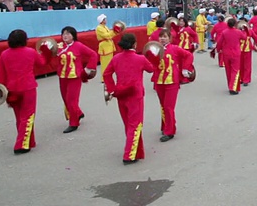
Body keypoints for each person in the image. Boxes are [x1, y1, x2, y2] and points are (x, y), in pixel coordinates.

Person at [103, 33, 155, 164]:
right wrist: (152, 56)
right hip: (135, 95)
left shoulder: (116, 58)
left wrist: (112, 89)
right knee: (135, 125)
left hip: (121, 94)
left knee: (128, 124)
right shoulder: (140, 59)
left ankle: (137, 151)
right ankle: (129, 154)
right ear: (134, 44)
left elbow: (106, 74)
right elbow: (151, 69)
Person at [0, 30, 50, 154]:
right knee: (28, 116)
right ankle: (21, 144)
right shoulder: (30, 52)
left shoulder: (4, 54)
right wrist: (46, 52)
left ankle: (30, 141)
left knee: (19, 117)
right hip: (27, 88)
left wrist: (1, 92)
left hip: (12, 89)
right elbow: (42, 62)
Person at [151, 29, 194, 141]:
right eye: (161, 37)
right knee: (162, 105)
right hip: (159, 81)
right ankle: (166, 125)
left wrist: (185, 68)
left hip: (172, 82)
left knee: (168, 107)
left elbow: (189, 55)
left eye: (165, 36)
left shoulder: (174, 48)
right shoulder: (155, 49)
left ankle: (170, 131)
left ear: (169, 38)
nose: (162, 39)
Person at [57, 26, 99, 133]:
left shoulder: (78, 45)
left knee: (72, 101)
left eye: (68, 34)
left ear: (73, 36)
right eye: (64, 34)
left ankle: (74, 123)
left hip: (75, 77)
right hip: (62, 77)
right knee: (66, 100)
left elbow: (93, 55)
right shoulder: (59, 46)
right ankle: (79, 113)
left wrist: (88, 69)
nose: (65, 36)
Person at [215, 17, 246, 95]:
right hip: (236, 53)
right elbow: (244, 38)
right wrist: (244, 30)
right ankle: (233, 87)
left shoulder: (224, 32)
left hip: (226, 53)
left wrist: (218, 50)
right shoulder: (238, 32)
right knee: (235, 71)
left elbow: (219, 42)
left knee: (228, 70)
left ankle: (230, 85)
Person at [95, 14, 118, 82]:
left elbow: (110, 35)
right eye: (105, 19)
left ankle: (108, 76)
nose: (106, 20)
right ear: (102, 21)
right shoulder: (99, 28)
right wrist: (113, 31)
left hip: (109, 46)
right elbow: (107, 36)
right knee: (105, 64)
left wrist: (115, 32)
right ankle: (104, 78)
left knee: (109, 63)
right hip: (105, 47)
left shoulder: (105, 27)